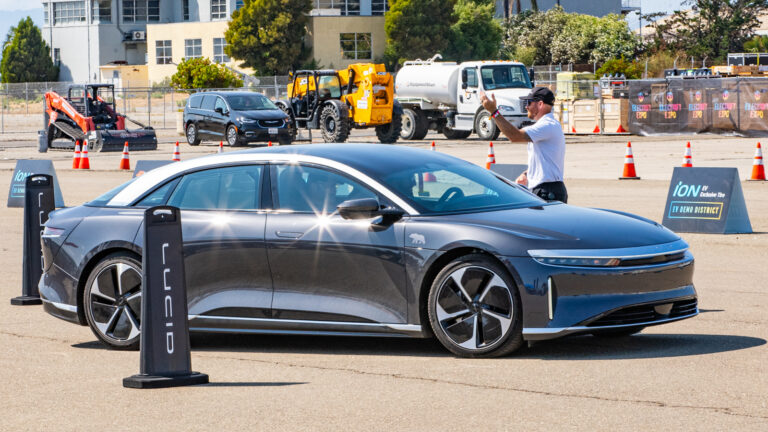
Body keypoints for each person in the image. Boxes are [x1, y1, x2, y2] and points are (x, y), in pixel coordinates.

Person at [480, 86, 567, 203]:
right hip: (546, 189)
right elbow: (545, 160)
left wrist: (494, 112)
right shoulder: (548, 125)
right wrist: (527, 174)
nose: (526, 106)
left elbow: (514, 136)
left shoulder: (547, 125)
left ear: (540, 104)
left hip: (547, 191)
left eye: (529, 102)